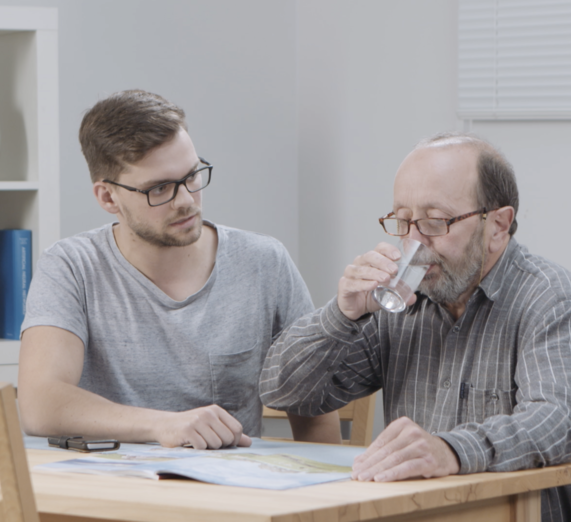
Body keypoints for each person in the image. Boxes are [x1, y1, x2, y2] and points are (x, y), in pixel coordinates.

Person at [260, 133, 571, 522]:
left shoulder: (551, 299)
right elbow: (284, 391)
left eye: (435, 222)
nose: (413, 243)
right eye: (403, 221)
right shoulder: (403, 301)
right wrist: (341, 315)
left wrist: (451, 451)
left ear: (498, 225)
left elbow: (556, 425)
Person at [18, 89, 339, 449]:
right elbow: (39, 404)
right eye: (160, 189)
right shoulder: (70, 267)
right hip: (110, 494)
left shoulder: (264, 263)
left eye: (191, 176)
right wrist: (163, 426)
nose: (186, 201)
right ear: (108, 197)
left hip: (229, 493)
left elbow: (314, 412)